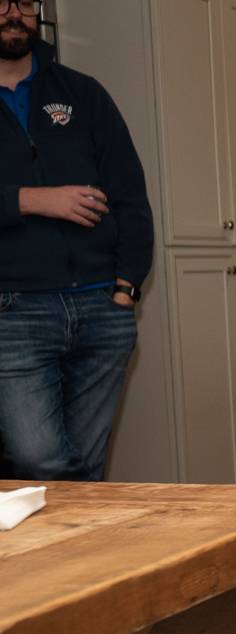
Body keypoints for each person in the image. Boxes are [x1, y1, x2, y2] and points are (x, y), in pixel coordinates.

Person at [0, 0, 152, 480]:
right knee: (37, 458)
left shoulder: (84, 94)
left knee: (86, 466)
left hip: (102, 310)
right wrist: (30, 200)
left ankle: (74, 555)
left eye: (24, 3)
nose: (14, 13)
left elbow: (130, 194)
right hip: (14, 312)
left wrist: (126, 287)